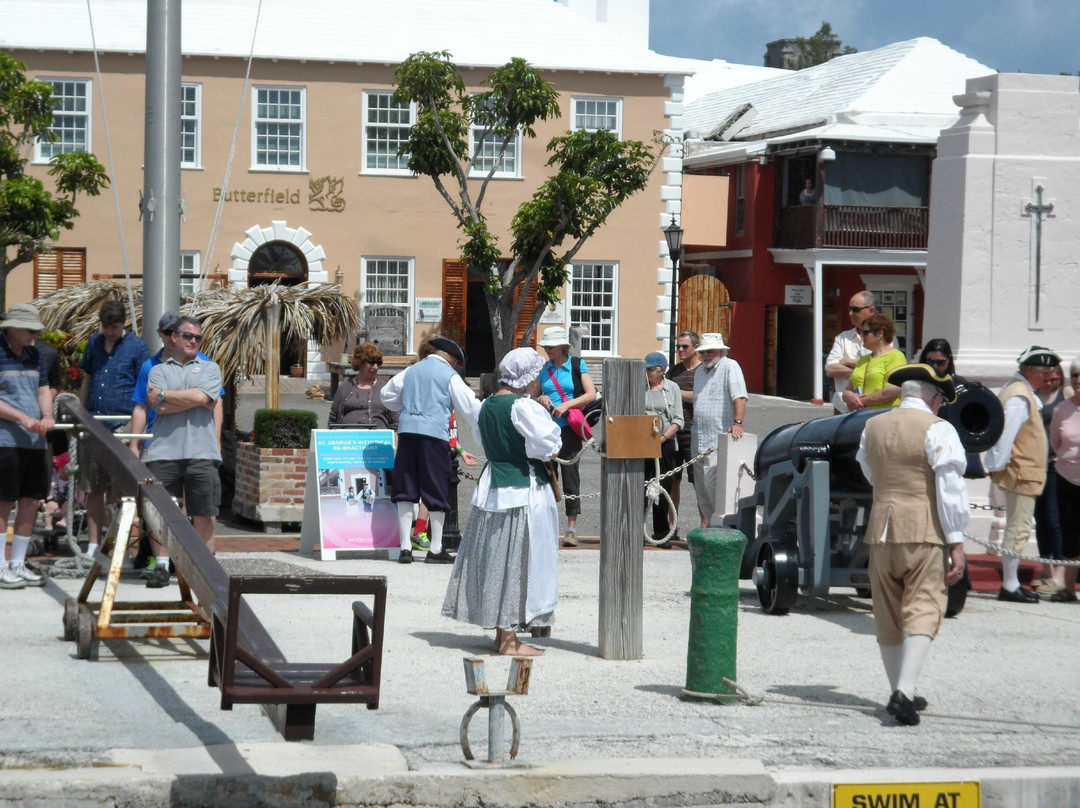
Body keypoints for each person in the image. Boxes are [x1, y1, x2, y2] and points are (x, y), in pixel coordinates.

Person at [856, 364, 968, 726]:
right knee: (924, 606)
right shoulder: (939, 429)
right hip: (922, 528)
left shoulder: (872, 426)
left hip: (880, 529)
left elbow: (868, 470)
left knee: (887, 613)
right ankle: (903, 692)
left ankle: (898, 689)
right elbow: (950, 489)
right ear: (935, 399)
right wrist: (957, 542)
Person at [442, 347, 562, 656]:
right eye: (537, 376)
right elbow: (550, 443)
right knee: (516, 561)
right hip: (521, 492)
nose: (539, 382)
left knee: (497, 560)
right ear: (527, 378)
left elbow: (484, 440)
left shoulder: (486, 406)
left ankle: (501, 635)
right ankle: (509, 640)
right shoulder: (524, 407)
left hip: (493, 489)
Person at [136, 316, 223, 587]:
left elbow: (207, 399)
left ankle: (201, 567)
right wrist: (196, 398)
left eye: (198, 337)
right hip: (164, 451)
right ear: (173, 337)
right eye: (189, 337)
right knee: (159, 512)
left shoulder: (210, 367)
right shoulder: (156, 369)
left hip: (203, 450)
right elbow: (155, 406)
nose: (194, 341)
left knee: (205, 512)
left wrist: (167, 396)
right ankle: (160, 566)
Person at [381, 336, 481, 565]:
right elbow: (470, 406)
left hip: (407, 433)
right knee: (436, 488)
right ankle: (435, 549)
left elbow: (386, 395)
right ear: (452, 359)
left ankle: (405, 547)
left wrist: (407, 407)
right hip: (434, 435)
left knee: (405, 489)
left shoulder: (411, 370)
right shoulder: (449, 375)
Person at [983, 345, 1062, 603]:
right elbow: (1004, 438)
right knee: (1017, 530)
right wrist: (995, 467)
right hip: (1021, 474)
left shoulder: (1022, 392)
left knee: (1019, 528)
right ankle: (1009, 584)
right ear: (1030, 370)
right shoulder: (1019, 396)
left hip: (1024, 473)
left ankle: (1012, 582)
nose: (1049, 376)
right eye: (1045, 371)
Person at [77, 300, 150, 559]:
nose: (109, 331)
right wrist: (82, 414)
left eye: (114, 327)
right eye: (106, 326)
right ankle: (94, 545)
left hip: (123, 424)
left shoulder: (137, 347)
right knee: (93, 488)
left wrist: (136, 433)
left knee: (123, 491)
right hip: (95, 424)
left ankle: (121, 546)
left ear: (124, 324)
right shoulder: (94, 344)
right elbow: (87, 379)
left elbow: (143, 389)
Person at [0, 304, 53, 589]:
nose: (35, 334)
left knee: (31, 501)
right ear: (13, 328)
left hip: (34, 440)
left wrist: (46, 415)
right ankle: (0, 566)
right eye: (30, 329)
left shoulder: (35, 355)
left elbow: (44, 388)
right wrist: (22, 417)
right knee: (4, 502)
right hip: (4, 439)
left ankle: (17, 562)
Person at [536, 326, 596, 548]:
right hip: (548, 429)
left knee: (571, 478)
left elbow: (591, 394)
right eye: (545, 347)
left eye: (550, 347)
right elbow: (532, 393)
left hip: (570, 427)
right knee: (548, 477)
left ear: (562, 347)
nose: (547, 351)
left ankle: (571, 529)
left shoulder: (577, 364)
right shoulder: (544, 369)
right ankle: (547, 526)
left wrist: (567, 404)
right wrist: (541, 396)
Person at [691, 332, 747, 526]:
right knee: (701, 490)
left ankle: (721, 526)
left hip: (718, 438)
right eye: (703, 352)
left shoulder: (730, 366)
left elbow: (740, 396)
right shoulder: (699, 371)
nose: (706, 355)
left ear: (720, 351)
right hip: (698, 437)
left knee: (713, 485)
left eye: (710, 351)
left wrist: (738, 422)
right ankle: (713, 526)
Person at [1032, 363, 1066, 596]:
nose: (1051, 377)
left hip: (1056, 465)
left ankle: (1059, 574)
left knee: (1055, 520)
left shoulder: (1066, 394)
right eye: (1047, 372)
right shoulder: (1033, 394)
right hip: (1036, 464)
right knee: (1040, 520)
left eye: (1055, 373)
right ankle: (1046, 570)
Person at [644, 351, 683, 547]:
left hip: (665, 442)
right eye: (646, 369)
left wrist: (664, 437)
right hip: (642, 442)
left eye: (651, 369)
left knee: (663, 487)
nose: (647, 372)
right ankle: (638, 530)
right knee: (641, 487)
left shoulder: (672, 388)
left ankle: (661, 532)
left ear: (662, 370)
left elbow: (678, 419)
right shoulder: (640, 387)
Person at [1049, 358, 1080, 603]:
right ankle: (1068, 588)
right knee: (1070, 535)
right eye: (1075, 375)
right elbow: (1055, 444)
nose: (1079, 380)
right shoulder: (1062, 410)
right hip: (1067, 479)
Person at [826, 291, 886, 413]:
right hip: (843, 408)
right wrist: (866, 370)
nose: (850, 313)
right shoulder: (843, 338)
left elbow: (885, 370)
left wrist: (849, 362)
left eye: (855, 309)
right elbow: (830, 369)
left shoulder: (885, 338)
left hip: (873, 408)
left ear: (871, 310)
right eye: (849, 309)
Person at [667, 330, 701, 528]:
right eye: (678, 346)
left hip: (694, 432)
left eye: (684, 346)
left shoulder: (703, 371)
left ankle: (705, 525)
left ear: (695, 348)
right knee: (672, 481)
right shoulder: (673, 372)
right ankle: (672, 526)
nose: (680, 350)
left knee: (699, 482)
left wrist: (677, 392)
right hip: (673, 432)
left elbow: (700, 397)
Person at [328, 342, 398, 430]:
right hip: (348, 439)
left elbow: (395, 421)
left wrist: (395, 436)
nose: (376, 367)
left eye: (378, 363)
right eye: (372, 363)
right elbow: (333, 419)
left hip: (377, 439)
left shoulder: (385, 388)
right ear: (360, 363)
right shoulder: (345, 387)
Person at [842, 313, 904, 411]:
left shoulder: (896, 357)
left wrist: (860, 401)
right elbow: (848, 389)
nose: (861, 335)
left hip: (881, 418)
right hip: (856, 417)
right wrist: (848, 396)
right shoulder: (863, 359)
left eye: (865, 332)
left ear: (880, 333)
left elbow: (891, 392)